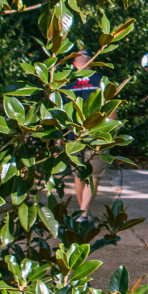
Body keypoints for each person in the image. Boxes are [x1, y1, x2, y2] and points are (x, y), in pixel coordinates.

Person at [66, 50, 102, 213]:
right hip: (97, 135)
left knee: (78, 174)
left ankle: (82, 213)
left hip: (73, 136)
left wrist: (60, 136)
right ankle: (84, 213)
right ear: (92, 62)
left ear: (74, 63)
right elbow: (111, 109)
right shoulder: (100, 80)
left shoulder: (67, 82)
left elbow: (60, 111)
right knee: (93, 175)